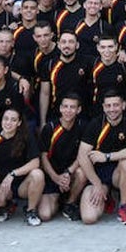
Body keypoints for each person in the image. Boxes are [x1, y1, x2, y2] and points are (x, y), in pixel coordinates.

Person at [77, 90, 126, 225]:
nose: (112, 109)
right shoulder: (95, 124)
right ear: (103, 107)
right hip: (99, 175)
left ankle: (124, 206)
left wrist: (107, 156)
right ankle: (108, 196)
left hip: (118, 174)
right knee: (89, 218)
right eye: (108, 106)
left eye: (116, 105)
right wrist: (96, 184)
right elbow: (82, 156)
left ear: (123, 105)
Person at [0, 106, 45, 226]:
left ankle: (31, 211)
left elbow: (35, 162)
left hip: (23, 184)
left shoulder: (26, 137)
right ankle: (4, 206)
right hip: (4, 185)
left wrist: (13, 174)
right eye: (6, 119)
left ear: (19, 123)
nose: (8, 123)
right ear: (1, 121)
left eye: (13, 120)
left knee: (38, 174)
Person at [37, 91, 87, 222]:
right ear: (60, 108)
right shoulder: (50, 128)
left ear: (79, 109)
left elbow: (83, 154)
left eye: (72, 107)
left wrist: (68, 173)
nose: (68, 110)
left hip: (71, 172)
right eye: (65, 106)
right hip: (52, 175)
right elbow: (43, 157)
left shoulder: (83, 126)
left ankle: (69, 203)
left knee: (82, 172)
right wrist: (56, 177)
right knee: (45, 215)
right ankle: (58, 199)